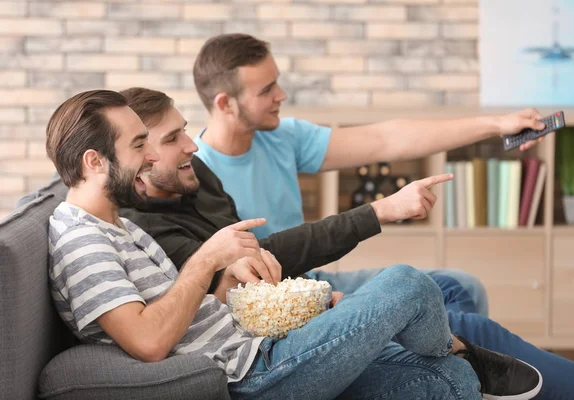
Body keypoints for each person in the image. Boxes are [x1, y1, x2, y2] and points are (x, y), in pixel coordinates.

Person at [46, 89, 542, 400]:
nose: (151, 156)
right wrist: (209, 259)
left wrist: (292, 303)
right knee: (406, 285)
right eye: (139, 146)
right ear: (94, 162)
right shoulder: (80, 241)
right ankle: (458, 348)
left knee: (451, 386)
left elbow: (196, 314)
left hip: (263, 346)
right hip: (253, 376)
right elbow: (149, 342)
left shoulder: (121, 229)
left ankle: (457, 364)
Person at [189, 34, 543, 318]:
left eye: (276, 83)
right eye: (266, 90)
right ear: (225, 104)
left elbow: (388, 139)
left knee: (461, 287)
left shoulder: (282, 136)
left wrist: (497, 125)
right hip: (278, 305)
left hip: (315, 279)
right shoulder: (194, 177)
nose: (281, 95)